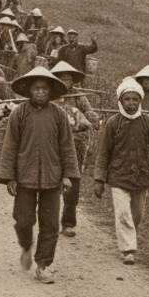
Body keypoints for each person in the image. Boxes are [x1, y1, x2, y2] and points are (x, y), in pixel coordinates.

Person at [0, 66, 78, 284]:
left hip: (53, 177)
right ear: (29, 90)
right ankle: (26, 245)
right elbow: (10, 146)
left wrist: (68, 174)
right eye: (36, 88)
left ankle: (43, 265)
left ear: (50, 92)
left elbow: (67, 147)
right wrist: (10, 177)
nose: (40, 92)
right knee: (23, 220)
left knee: (50, 223)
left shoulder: (59, 115)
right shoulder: (19, 114)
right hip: (25, 177)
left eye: (44, 89)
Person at [93, 77, 149, 266]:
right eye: (127, 99)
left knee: (136, 215)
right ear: (120, 101)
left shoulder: (148, 123)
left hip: (142, 176)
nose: (131, 103)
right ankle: (128, 250)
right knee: (123, 213)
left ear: (140, 101)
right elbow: (103, 153)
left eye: (135, 99)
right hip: (118, 176)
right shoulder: (113, 123)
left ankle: (127, 236)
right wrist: (99, 179)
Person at [50, 60, 94, 238]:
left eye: (69, 79)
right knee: (51, 182)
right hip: (52, 143)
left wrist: (89, 118)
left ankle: (68, 222)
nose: (66, 82)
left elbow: (89, 113)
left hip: (75, 143)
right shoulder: (50, 95)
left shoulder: (78, 96)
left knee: (73, 181)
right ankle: (50, 220)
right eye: (62, 78)